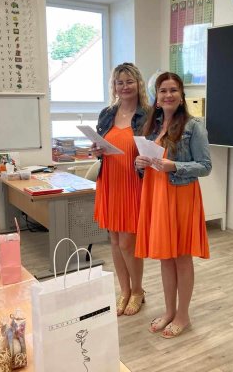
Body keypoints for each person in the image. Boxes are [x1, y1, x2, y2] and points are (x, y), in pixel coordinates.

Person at [135, 72, 212, 338]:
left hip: (181, 197)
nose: (168, 95)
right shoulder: (152, 127)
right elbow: (149, 162)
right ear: (156, 98)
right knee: (165, 257)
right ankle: (169, 311)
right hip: (157, 196)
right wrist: (140, 163)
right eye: (163, 91)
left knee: (181, 257)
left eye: (173, 90)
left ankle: (183, 315)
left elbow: (205, 166)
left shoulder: (194, 126)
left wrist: (175, 165)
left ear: (181, 96)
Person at [93, 62, 149, 316]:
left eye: (129, 81)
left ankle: (137, 291)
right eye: (119, 82)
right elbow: (101, 148)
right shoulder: (107, 114)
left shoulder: (148, 115)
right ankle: (124, 290)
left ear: (138, 84)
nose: (124, 86)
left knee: (128, 242)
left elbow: (157, 149)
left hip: (133, 183)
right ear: (114, 86)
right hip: (110, 181)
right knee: (115, 241)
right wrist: (96, 151)